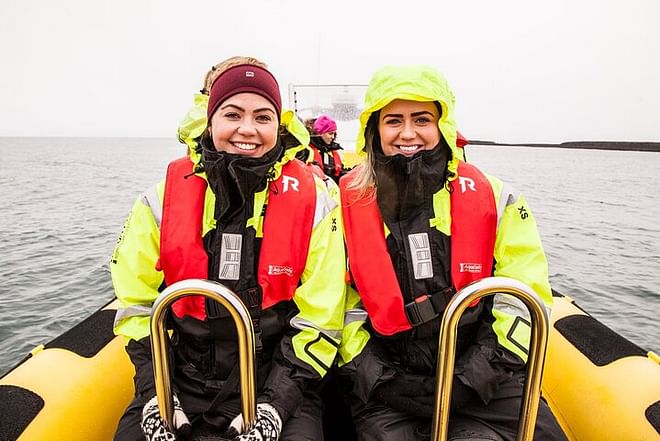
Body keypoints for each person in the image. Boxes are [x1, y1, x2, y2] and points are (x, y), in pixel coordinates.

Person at [111, 56, 348, 441]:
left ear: (278, 125)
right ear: (210, 120)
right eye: (233, 114)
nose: (247, 129)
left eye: (263, 117)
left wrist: (273, 407)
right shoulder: (161, 200)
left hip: (279, 380)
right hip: (183, 380)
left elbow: (321, 318)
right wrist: (158, 396)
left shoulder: (317, 204)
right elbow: (136, 307)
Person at [337, 65, 567, 441]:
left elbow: (526, 297)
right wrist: (381, 378)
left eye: (422, 119)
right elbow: (339, 305)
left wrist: (471, 378)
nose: (407, 133)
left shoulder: (497, 198)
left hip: (488, 378)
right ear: (374, 129)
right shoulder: (343, 205)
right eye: (393, 120)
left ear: (442, 125)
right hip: (388, 384)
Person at [307, 114, 347, 183]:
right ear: (320, 133)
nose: (333, 137)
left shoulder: (334, 152)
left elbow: (339, 174)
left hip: (332, 190)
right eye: (330, 133)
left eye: (334, 134)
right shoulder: (307, 151)